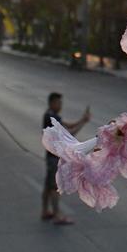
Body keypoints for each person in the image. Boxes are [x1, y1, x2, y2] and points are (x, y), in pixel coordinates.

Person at [41, 92, 90, 225]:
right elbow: (69, 134)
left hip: (51, 156)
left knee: (47, 186)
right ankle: (57, 214)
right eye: (58, 103)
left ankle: (45, 211)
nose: (60, 105)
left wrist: (82, 120)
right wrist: (82, 124)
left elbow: (66, 125)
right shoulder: (50, 117)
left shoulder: (51, 115)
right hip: (54, 157)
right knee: (54, 187)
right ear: (52, 103)